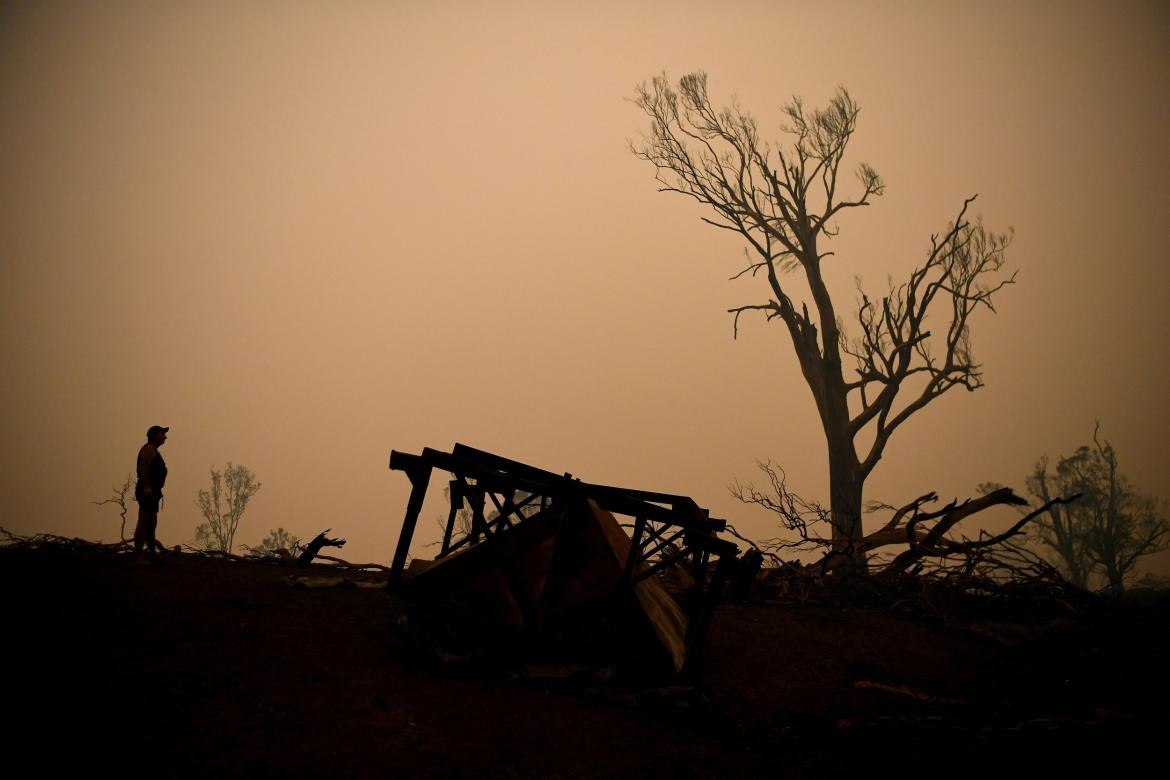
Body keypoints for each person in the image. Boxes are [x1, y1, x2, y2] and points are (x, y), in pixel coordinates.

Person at [134, 425, 169, 564]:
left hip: (153, 491)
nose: (165, 437)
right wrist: (147, 486)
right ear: (154, 435)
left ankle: (152, 554)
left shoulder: (153, 450)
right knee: (144, 521)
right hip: (147, 490)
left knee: (151, 522)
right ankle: (138, 556)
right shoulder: (148, 450)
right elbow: (143, 469)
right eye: (162, 434)